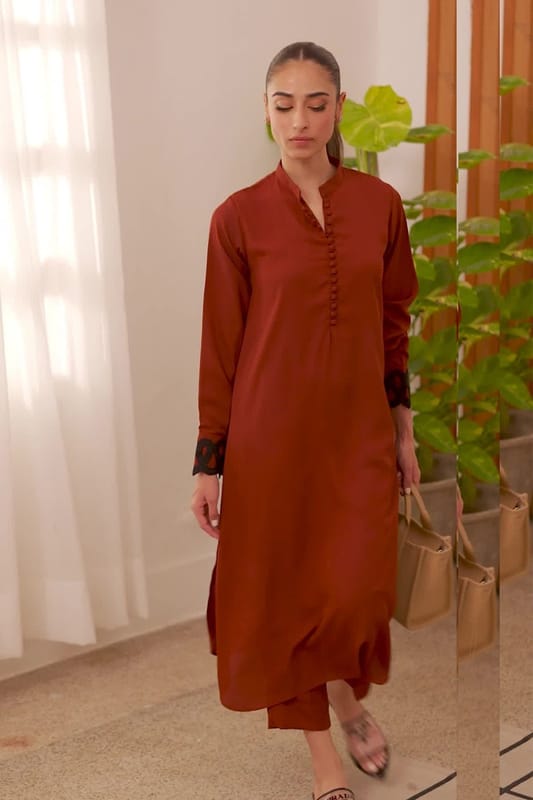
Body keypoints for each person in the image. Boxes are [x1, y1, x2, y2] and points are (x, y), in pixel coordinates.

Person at [191, 41, 420, 800]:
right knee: (287, 594)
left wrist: (402, 427)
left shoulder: (379, 206)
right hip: (270, 441)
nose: (299, 121)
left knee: (354, 591)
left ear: (338, 109)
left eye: (316, 104)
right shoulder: (238, 218)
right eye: (284, 105)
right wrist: (209, 461)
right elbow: (220, 346)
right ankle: (325, 764)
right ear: (265, 111)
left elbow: (393, 322)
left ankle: (347, 698)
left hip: (357, 435)